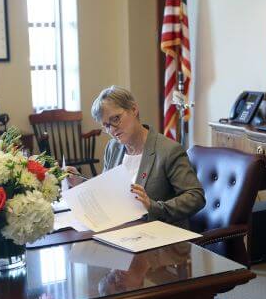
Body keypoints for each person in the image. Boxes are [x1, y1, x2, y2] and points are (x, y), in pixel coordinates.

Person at [67, 86, 205, 229]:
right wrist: (80, 183)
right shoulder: (113, 148)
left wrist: (153, 206)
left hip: (160, 234)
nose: (112, 130)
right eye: (106, 126)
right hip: (120, 230)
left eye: (116, 119)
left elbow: (196, 197)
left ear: (134, 109)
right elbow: (106, 191)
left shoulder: (169, 150)